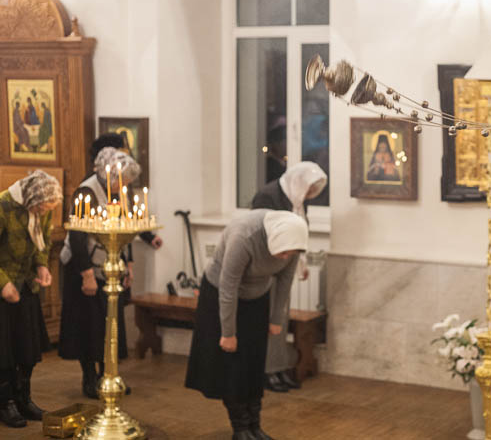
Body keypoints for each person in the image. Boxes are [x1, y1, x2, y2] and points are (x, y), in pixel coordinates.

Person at [185, 210, 307, 440]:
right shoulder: (244, 236)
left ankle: (254, 426)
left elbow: (285, 281)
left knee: (254, 363)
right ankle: (240, 428)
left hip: (257, 298)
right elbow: (228, 286)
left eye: (290, 253)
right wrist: (228, 332)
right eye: (282, 252)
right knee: (234, 367)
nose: (285, 257)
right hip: (221, 296)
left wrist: (276, 319)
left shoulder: (292, 241)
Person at [58, 146, 162, 399]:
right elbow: (77, 236)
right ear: (110, 176)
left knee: (110, 325)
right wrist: (87, 275)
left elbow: (126, 228)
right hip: (82, 267)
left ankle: (109, 374)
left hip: (110, 265)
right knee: (89, 326)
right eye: (123, 181)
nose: (125, 186)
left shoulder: (120, 191)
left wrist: (130, 262)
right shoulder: (87, 191)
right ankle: (89, 378)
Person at [251, 161, 328, 392]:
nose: (310, 193)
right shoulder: (268, 196)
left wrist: (300, 263)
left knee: (280, 321)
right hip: (267, 268)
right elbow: (263, 234)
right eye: (309, 188)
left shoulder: (298, 199)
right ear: (299, 181)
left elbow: (298, 234)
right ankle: (265, 371)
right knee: (269, 320)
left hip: (285, 265)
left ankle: (278, 368)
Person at [0, 170, 61, 428]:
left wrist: (42, 266)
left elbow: (43, 241)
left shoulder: (41, 210)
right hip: (4, 285)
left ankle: (24, 398)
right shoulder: (4, 206)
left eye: (47, 209)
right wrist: (3, 284)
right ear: (30, 199)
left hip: (27, 286)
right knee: (5, 351)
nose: (43, 213)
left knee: (27, 347)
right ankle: (6, 403)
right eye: (41, 208)